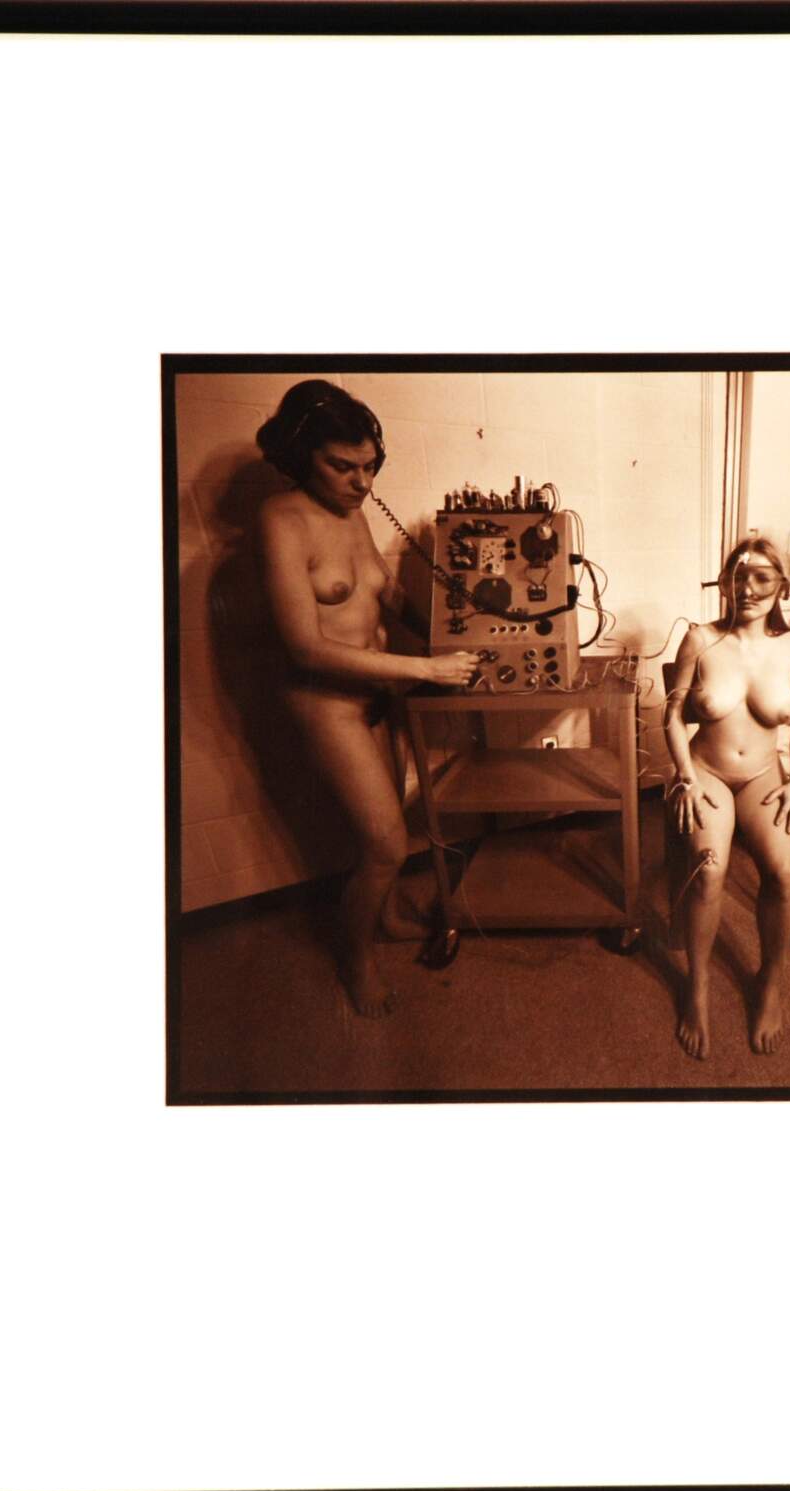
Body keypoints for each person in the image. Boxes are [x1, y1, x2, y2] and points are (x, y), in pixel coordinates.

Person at [254, 381, 479, 1017]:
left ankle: (383, 919)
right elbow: (305, 647)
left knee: (388, 833)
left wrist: (455, 631)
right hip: (328, 706)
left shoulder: (352, 510)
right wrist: (426, 669)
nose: (362, 482)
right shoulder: (280, 520)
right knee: (384, 846)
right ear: (301, 456)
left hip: (380, 692)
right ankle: (355, 962)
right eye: (343, 466)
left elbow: (381, 592)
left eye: (370, 466)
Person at [662, 536, 790, 1059]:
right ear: (725, 583)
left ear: (782, 586)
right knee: (709, 870)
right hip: (706, 771)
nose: (747, 589)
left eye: (761, 578)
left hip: (765, 777)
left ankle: (770, 980)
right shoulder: (699, 639)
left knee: (783, 872)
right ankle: (698, 985)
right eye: (738, 577)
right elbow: (673, 715)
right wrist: (684, 776)